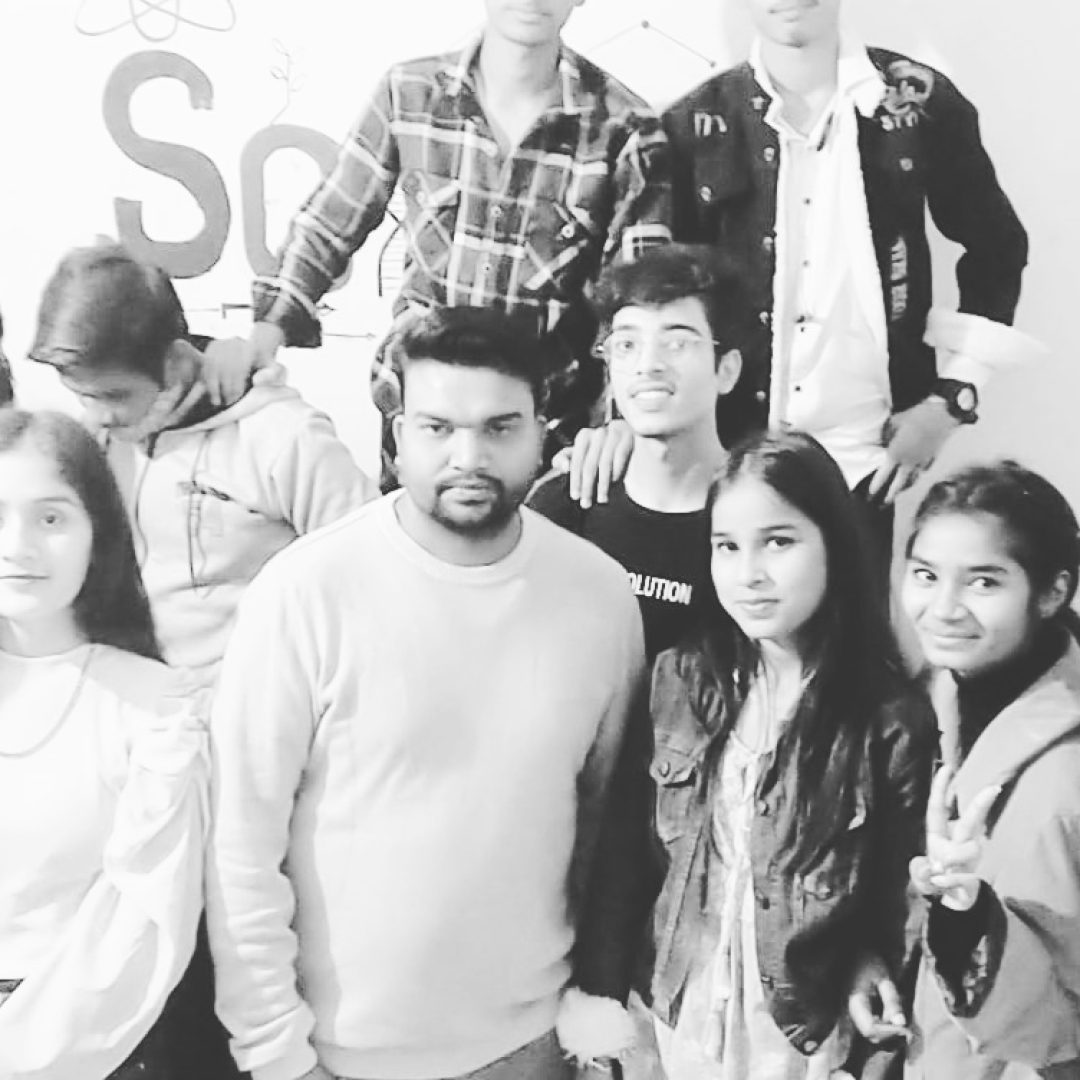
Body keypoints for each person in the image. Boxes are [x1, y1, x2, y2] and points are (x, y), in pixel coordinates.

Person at [207, 307, 655, 1080]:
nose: (468, 456)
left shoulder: (600, 597)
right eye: (438, 428)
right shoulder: (307, 590)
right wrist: (276, 1054)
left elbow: (601, 824)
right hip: (333, 1059)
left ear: (542, 433)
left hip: (532, 1048)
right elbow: (241, 845)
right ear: (397, 435)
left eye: (499, 428)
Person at [567, 0, 1034, 584]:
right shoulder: (696, 122)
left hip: (867, 463)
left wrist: (949, 401)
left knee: (851, 634)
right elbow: (654, 299)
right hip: (728, 460)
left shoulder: (917, 102)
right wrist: (620, 416)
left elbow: (997, 249)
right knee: (726, 626)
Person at [202, 0, 672, 488]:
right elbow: (330, 223)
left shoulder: (626, 128)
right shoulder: (410, 93)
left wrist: (623, 423)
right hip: (419, 418)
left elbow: (641, 299)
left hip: (549, 438)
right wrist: (266, 335)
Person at [642, 429, 936, 1078]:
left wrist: (867, 963)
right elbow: (636, 855)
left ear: (833, 543)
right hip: (679, 1020)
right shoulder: (682, 680)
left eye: (779, 541)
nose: (749, 573)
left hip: (804, 1038)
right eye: (727, 546)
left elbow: (896, 899)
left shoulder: (889, 719)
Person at [29, 242, 376, 693]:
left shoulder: (282, 436)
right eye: (83, 397)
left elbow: (372, 574)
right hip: (143, 705)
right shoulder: (94, 443)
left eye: (115, 396)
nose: (98, 415)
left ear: (175, 360)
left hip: (262, 706)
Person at [0, 409, 206, 1080]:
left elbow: (139, 934)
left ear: (99, 533)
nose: (18, 546)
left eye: (51, 518)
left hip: (79, 1048)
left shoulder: (157, 711)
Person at [901, 461, 1080, 1077]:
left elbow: (1059, 1028)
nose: (943, 608)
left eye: (983, 582)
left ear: (1053, 592)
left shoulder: (1065, 776)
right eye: (926, 575)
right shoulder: (935, 695)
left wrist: (969, 919)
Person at [530, 244, 743, 661]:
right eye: (626, 345)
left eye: (676, 343)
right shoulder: (565, 506)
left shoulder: (754, 514)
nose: (649, 365)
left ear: (726, 370)